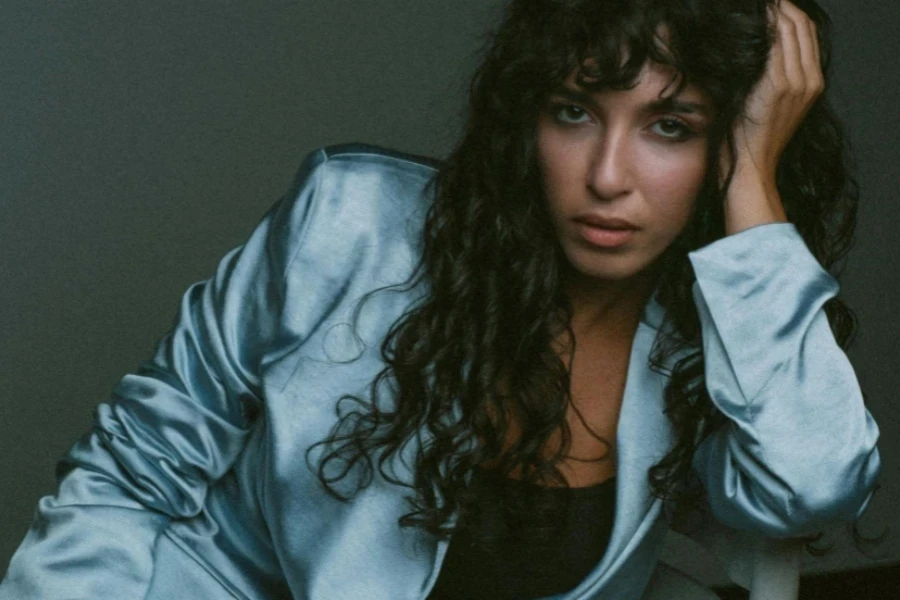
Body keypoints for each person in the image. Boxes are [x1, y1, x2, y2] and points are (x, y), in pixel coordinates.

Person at [0, 0, 881, 598]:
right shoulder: (351, 221)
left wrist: (756, 201)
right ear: (523, 119)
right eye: (574, 112)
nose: (607, 177)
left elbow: (808, 488)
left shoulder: (710, 342)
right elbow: (132, 470)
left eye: (671, 127)